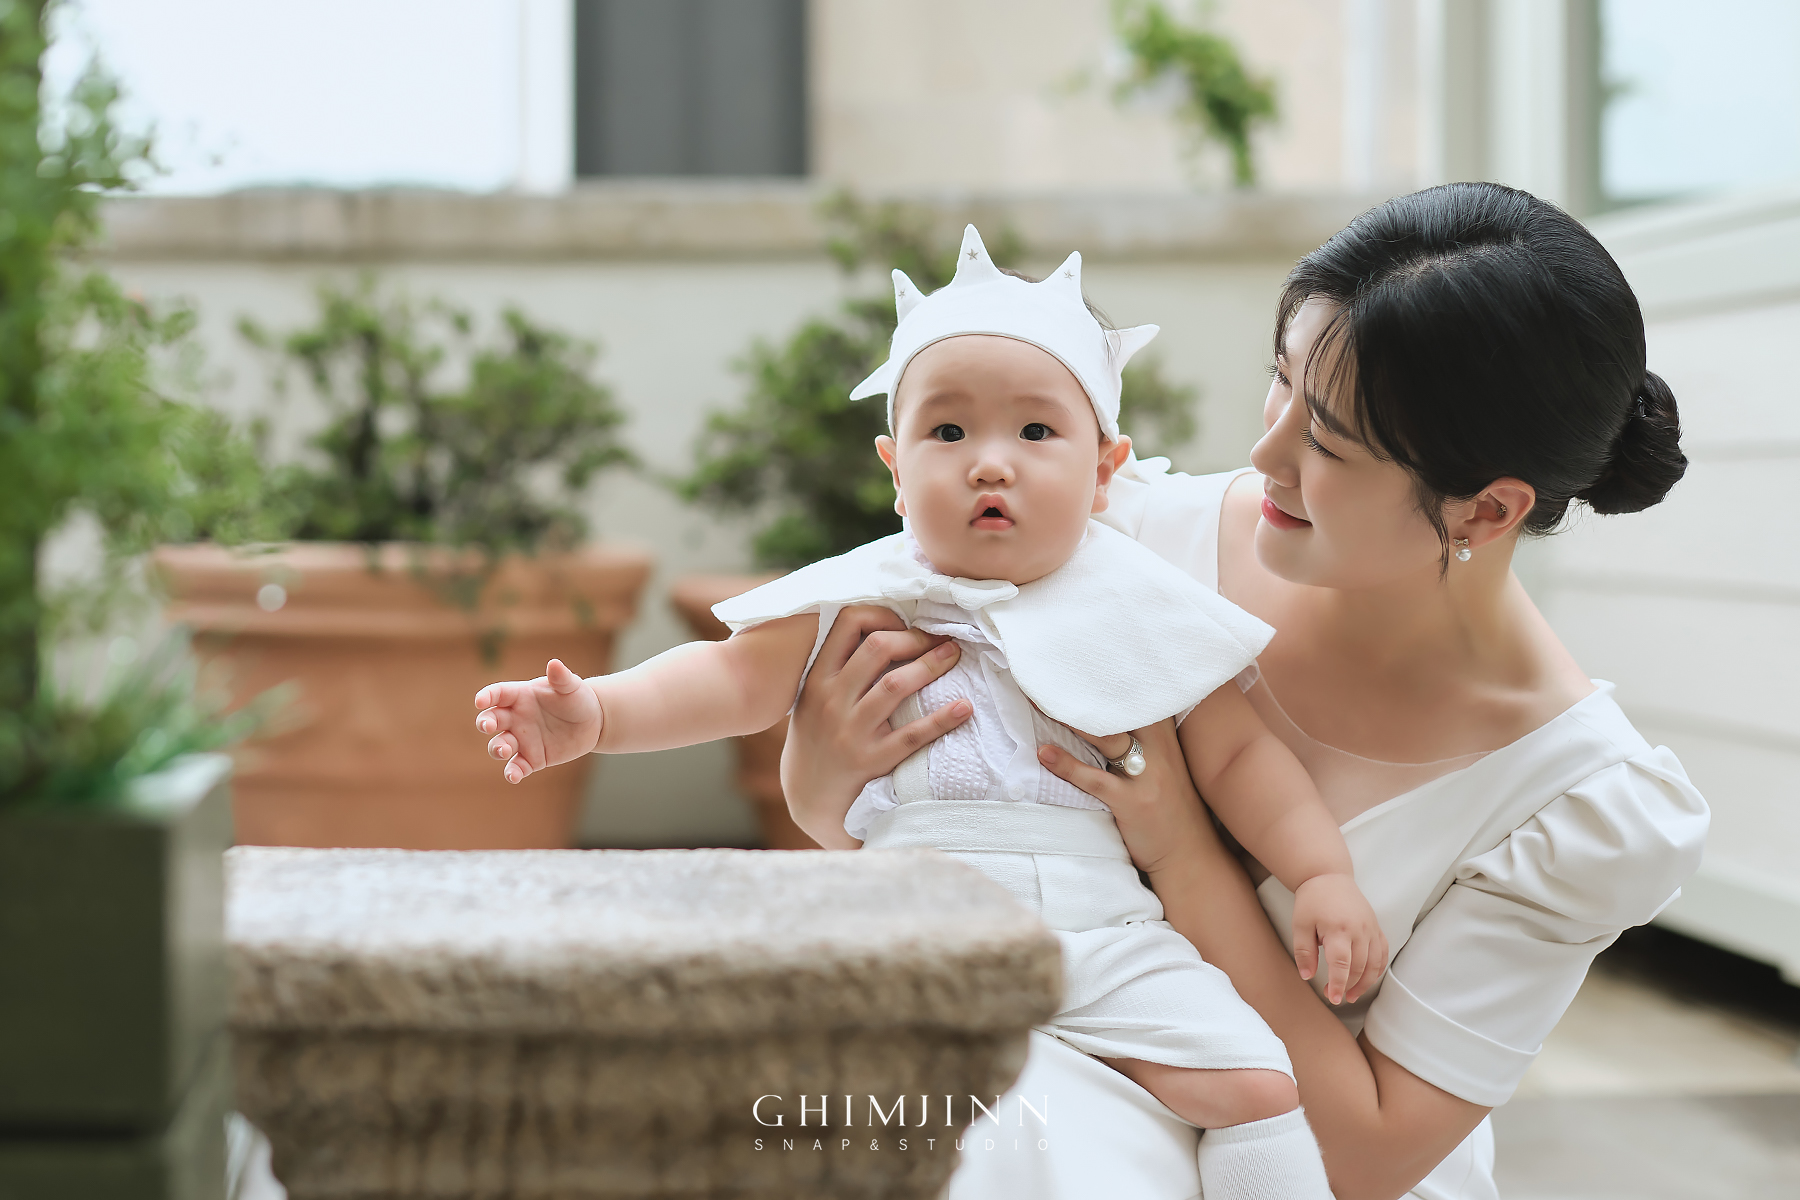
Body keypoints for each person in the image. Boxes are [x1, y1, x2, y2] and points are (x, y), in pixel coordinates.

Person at [777, 184, 1711, 1200]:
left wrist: (1182, 848)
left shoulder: (1573, 803)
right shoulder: (1113, 540)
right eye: (1281, 383)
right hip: (1046, 1099)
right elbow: (948, 844)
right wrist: (820, 787)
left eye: (1328, 442)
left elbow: (1370, 1155)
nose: (1265, 452)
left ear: (1484, 511)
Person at [474, 226, 1388, 1199]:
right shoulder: (867, 594)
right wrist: (598, 714)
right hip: (909, 915)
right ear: (894, 469)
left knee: (1257, 1086)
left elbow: (1240, 759)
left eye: (1035, 433)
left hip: (1103, 929)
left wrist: (1320, 873)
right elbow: (731, 679)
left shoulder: (1138, 599)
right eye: (948, 433)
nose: (990, 464)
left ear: (1104, 468)